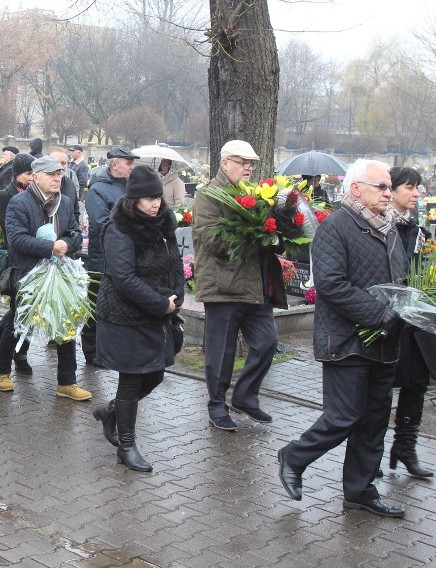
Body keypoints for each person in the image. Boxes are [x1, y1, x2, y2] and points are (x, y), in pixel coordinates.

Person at [277, 159, 408, 518]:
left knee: (375, 419)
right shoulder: (336, 227)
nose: (387, 192)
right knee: (345, 415)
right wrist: (379, 313)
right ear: (356, 189)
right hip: (346, 339)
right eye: (380, 186)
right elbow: (332, 283)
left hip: (383, 341)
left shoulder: (391, 228)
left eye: (388, 186)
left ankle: (360, 490)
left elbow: (397, 279)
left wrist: (406, 307)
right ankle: (294, 456)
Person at [93, 165, 184, 472]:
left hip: (157, 313)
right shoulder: (120, 228)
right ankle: (126, 445)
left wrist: (178, 295)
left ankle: (112, 411)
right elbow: (123, 278)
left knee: (155, 374)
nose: (155, 203)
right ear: (134, 201)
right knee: (132, 379)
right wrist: (161, 304)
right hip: (126, 315)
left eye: (157, 197)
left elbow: (175, 262)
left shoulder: (163, 222)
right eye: (147, 199)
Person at [192, 140, 285, 431]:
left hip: (256, 286)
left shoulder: (257, 195)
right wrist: (256, 234)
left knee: (267, 343)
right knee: (222, 352)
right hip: (224, 286)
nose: (248, 168)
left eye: (251, 164)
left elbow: (271, 237)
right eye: (242, 162)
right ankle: (217, 404)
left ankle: (244, 396)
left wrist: (277, 233)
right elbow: (211, 239)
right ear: (224, 163)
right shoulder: (209, 195)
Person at [0, 156, 90, 400]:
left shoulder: (65, 202)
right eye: (51, 174)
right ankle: (2, 371)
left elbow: (75, 232)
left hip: (60, 273)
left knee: (66, 323)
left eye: (59, 173)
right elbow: (16, 239)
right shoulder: (19, 203)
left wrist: (66, 244)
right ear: (35, 176)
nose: (57, 178)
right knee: (18, 321)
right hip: (27, 273)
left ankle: (66, 382)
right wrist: (50, 248)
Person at [386, 166, 434, 478]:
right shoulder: (379, 224)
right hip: (387, 320)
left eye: (417, 188)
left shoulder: (418, 229)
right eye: (409, 187)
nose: (416, 193)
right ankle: (369, 452)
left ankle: (405, 446)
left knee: (417, 384)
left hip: (415, 322)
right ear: (390, 190)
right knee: (379, 387)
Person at [82, 146, 139, 367]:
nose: (132, 167)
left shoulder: (129, 187)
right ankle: (91, 350)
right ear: (115, 164)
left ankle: (113, 348)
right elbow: (101, 223)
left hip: (126, 256)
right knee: (97, 305)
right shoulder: (98, 189)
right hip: (102, 257)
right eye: (128, 162)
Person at [0, 152, 36, 374]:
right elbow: (11, 231)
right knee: (19, 309)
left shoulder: (38, 194)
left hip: (37, 257)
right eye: (28, 173)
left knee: (30, 309)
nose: (32, 177)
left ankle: (19, 350)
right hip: (15, 258)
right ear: (17, 174)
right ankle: (5, 346)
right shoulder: (4, 195)